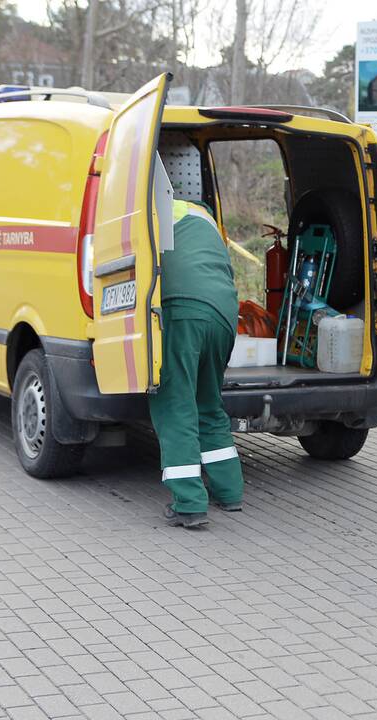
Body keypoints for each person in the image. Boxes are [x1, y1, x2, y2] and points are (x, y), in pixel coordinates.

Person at [151, 199, 245, 528]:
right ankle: (230, 491)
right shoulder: (203, 217)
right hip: (224, 311)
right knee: (208, 402)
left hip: (183, 309)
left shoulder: (150, 209)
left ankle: (189, 503)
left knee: (175, 404)